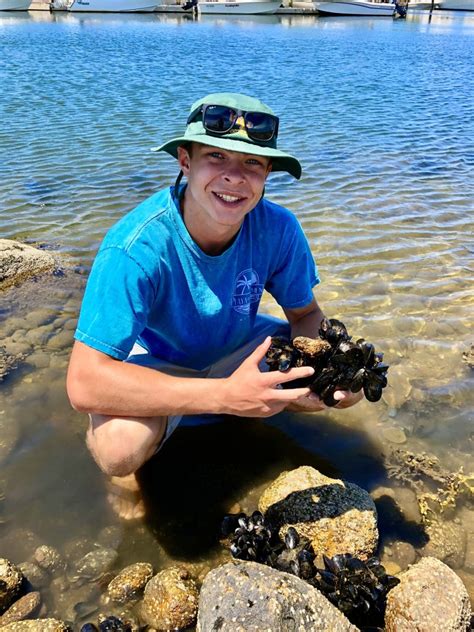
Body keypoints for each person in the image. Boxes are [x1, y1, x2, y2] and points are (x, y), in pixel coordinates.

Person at [67, 93, 362, 518]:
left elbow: (306, 315)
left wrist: (321, 365)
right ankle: (190, 425)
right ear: (184, 161)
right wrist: (224, 396)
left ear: (267, 174)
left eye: (252, 164)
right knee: (120, 450)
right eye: (217, 157)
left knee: (347, 386)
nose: (234, 178)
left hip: (236, 349)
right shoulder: (134, 248)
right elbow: (83, 383)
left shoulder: (278, 228)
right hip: (156, 365)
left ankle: (235, 405)